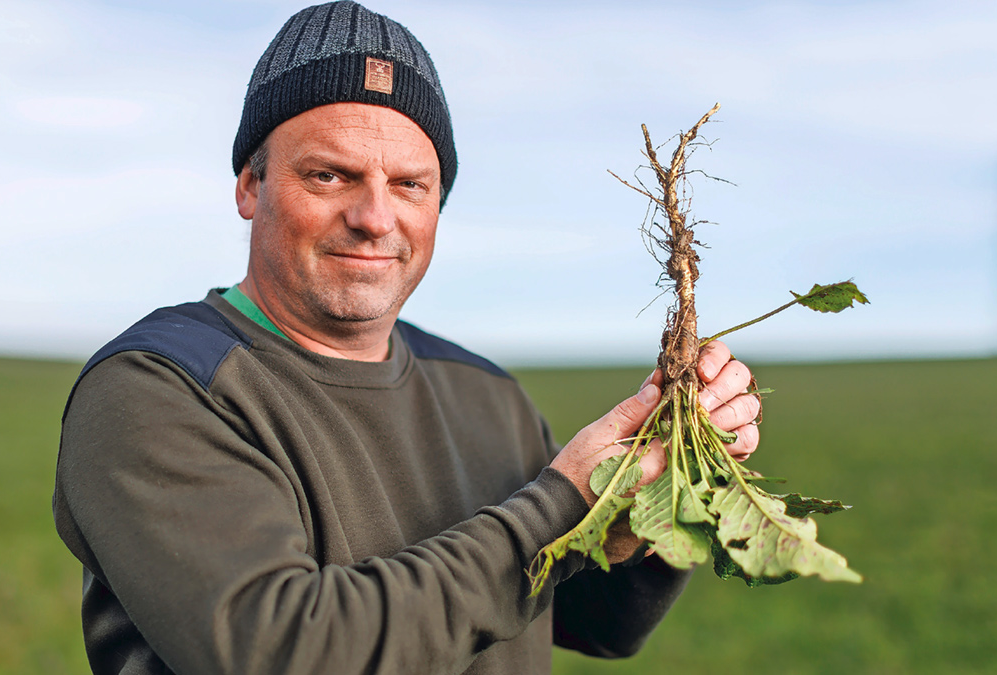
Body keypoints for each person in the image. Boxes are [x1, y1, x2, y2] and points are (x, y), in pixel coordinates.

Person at [52, 2, 762, 674]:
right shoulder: (158, 390)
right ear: (249, 186)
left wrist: (654, 498)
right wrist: (561, 506)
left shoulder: (485, 392)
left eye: (410, 185)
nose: (373, 216)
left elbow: (593, 619)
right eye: (329, 175)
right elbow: (285, 652)